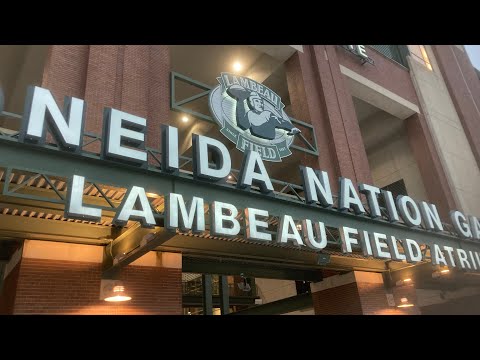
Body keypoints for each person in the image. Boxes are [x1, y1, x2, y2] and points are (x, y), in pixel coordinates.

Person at [226, 84, 300, 140]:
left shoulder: (267, 113)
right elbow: (243, 124)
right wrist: (240, 101)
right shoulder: (250, 114)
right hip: (255, 137)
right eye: (257, 101)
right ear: (251, 102)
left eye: (261, 102)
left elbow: (280, 121)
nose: (260, 104)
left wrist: (292, 127)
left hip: (269, 136)